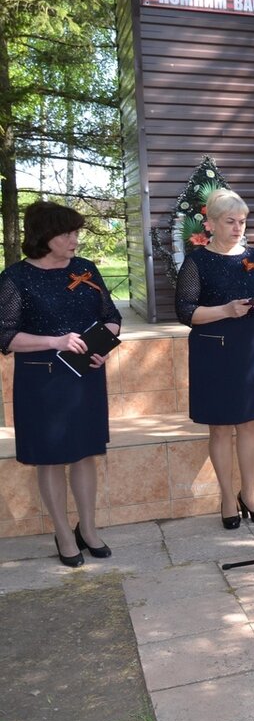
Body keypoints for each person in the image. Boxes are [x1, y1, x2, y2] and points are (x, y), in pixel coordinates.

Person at [0, 201, 122, 566]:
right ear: (45, 236)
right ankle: (63, 534)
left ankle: (88, 529)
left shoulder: (86, 269)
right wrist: (54, 341)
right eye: (67, 233)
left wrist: (103, 348)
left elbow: (111, 317)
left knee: (85, 454)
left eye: (76, 232)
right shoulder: (15, 278)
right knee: (51, 460)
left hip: (86, 376)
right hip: (41, 383)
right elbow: (5, 336)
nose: (75, 239)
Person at [175, 188, 254, 530]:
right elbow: (185, 312)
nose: (238, 227)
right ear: (210, 224)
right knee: (220, 428)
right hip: (213, 352)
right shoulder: (197, 261)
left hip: (250, 350)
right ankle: (225, 496)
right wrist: (225, 310)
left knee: (249, 426)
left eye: (242, 221)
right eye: (230, 221)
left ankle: (249, 493)